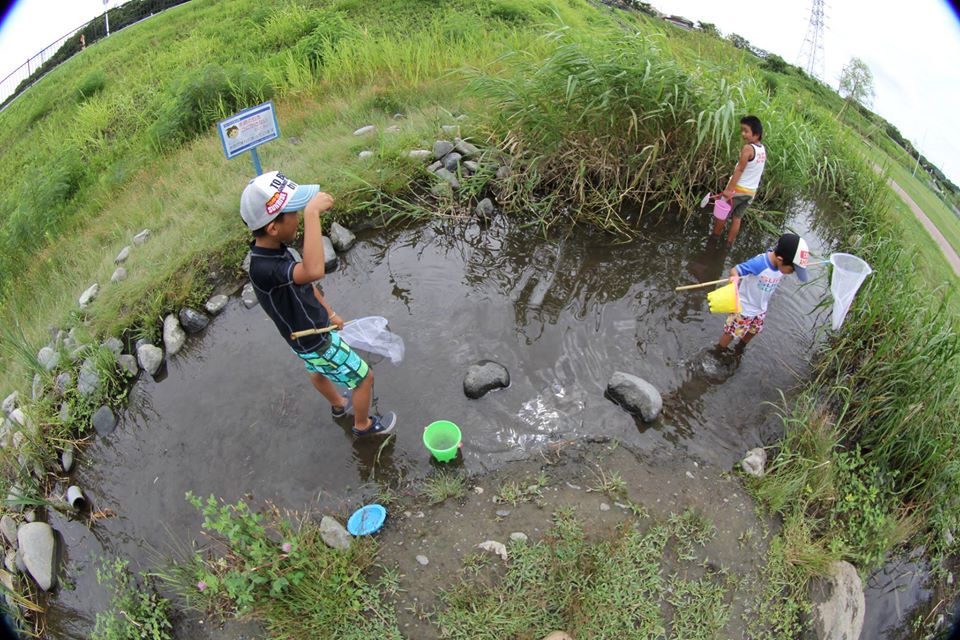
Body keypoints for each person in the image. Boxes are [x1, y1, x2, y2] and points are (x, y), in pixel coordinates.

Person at [240, 170, 396, 436]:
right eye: (295, 213)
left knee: (315, 369)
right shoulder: (262, 268)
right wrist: (313, 214)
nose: (299, 217)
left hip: (305, 337)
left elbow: (307, 285)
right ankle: (363, 425)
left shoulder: (278, 250)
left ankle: (338, 404)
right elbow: (313, 271)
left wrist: (330, 313)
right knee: (363, 377)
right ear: (273, 227)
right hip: (313, 339)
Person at [718, 232, 809, 350]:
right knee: (731, 333)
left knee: (753, 330)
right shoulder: (759, 263)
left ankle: (740, 348)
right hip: (744, 308)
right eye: (792, 270)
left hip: (760, 308)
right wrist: (734, 280)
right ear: (780, 259)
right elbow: (735, 270)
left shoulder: (781, 264)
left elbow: (788, 264)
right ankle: (718, 350)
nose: (792, 273)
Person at [712, 115, 767, 246]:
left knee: (721, 214)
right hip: (750, 193)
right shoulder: (762, 149)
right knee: (737, 218)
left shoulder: (748, 148)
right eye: (742, 130)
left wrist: (729, 190)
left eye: (746, 131)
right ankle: (728, 244)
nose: (743, 134)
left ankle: (713, 241)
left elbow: (740, 169)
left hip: (737, 190)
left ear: (756, 134)